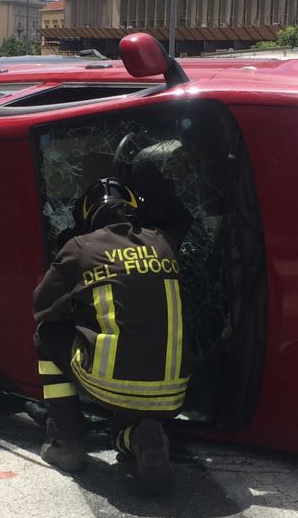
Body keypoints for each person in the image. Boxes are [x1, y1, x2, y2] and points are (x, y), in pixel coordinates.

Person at [32, 177, 189, 495]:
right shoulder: (164, 241)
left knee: (47, 335)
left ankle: (66, 441)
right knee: (131, 411)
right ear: (134, 209)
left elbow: (42, 306)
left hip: (111, 384)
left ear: (87, 216)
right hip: (176, 391)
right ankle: (137, 437)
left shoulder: (80, 247)